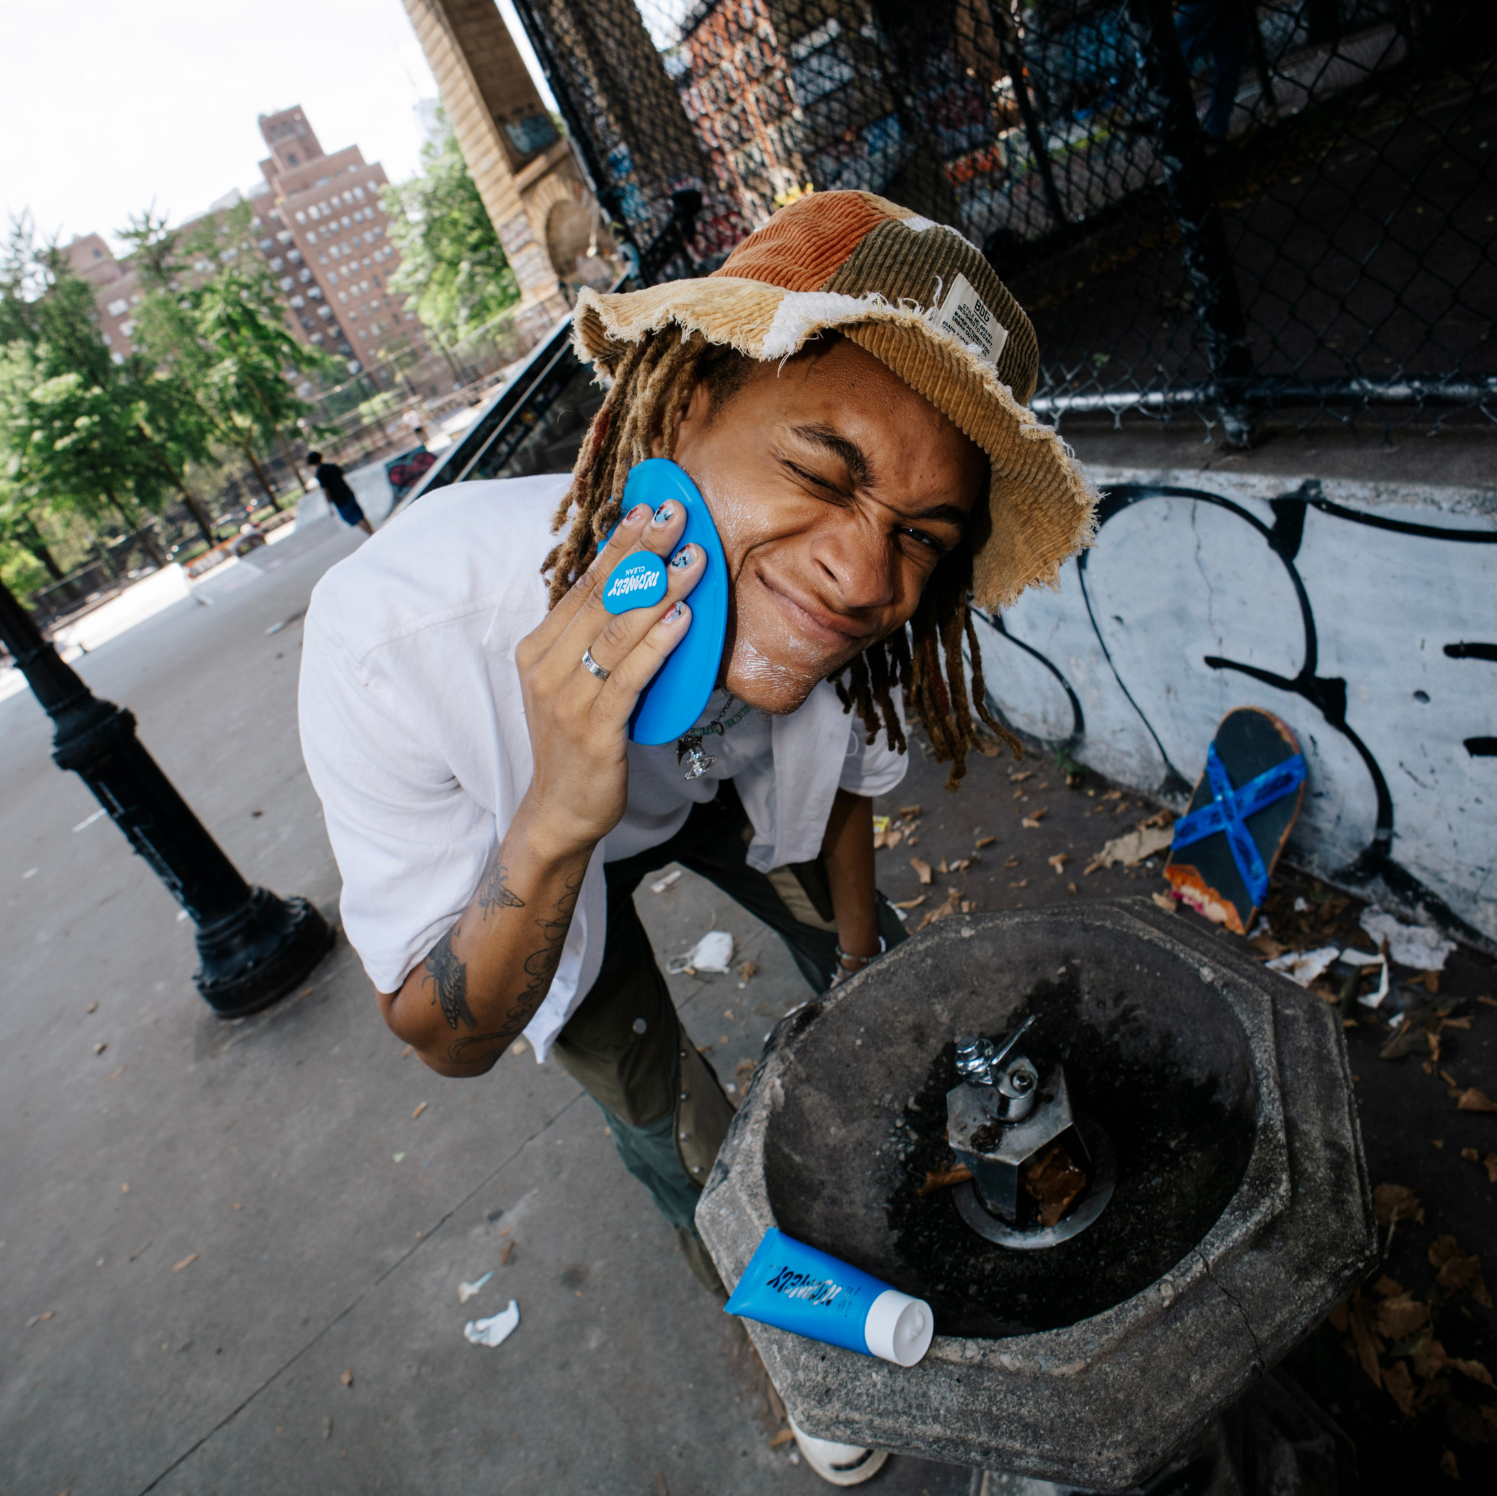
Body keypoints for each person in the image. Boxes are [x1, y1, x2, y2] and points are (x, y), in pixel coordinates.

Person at [298, 191, 1094, 1485]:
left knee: (886, 983)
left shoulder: (841, 616)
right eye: (822, 471)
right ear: (680, 416)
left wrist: (855, 973)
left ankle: (936, 1178)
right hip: (531, 854)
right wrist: (559, 814)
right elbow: (442, 1032)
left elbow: (836, 789)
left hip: (717, 785)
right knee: (686, 1134)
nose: (860, 575)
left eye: (919, 538)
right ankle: (803, 1343)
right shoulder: (394, 643)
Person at [307, 451, 375, 537]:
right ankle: (374, 533)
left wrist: (329, 504)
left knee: (356, 519)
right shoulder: (332, 466)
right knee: (360, 516)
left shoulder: (320, 473)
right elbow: (342, 474)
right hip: (348, 492)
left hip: (340, 500)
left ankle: (372, 535)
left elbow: (325, 489)